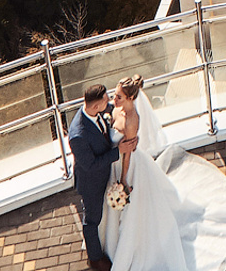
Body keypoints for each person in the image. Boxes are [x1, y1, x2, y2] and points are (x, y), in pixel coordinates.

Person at [105, 76, 188, 271]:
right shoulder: (115, 109)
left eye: (118, 97)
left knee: (134, 211)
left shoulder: (132, 121)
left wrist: (123, 180)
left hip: (128, 165)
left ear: (130, 98)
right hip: (114, 161)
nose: (114, 99)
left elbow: (127, 155)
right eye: (115, 95)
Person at [68, 85, 119, 269]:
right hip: (91, 183)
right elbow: (90, 165)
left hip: (104, 174)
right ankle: (95, 259)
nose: (109, 103)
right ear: (96, 106)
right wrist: (118, 152)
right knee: (92, 220)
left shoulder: (95, 111)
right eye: (106, 100)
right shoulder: (78, 135)